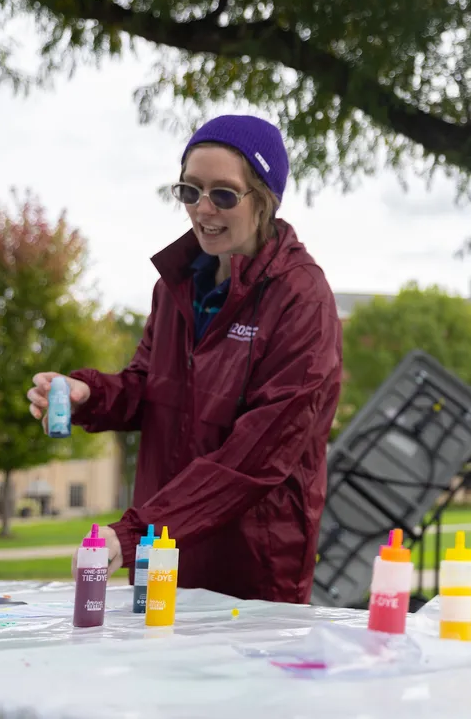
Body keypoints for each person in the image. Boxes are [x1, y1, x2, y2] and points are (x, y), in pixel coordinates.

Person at [26, 115, 343, 603]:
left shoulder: (303, 298)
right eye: (190, 191)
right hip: (162, 560)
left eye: (223, 194)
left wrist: (135, 532)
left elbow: (256, 458)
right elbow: (146, 388)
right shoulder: (174, 286)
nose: (202, 209)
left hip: (251, 571)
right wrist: (89, 396)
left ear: (265, 199)